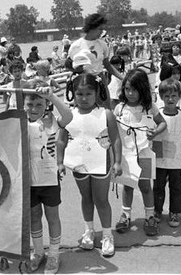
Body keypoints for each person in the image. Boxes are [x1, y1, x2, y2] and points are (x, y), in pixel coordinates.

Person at [59, 73, 122, 258]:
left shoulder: (106, 114)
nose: (84, 98)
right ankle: (89, 230)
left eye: (88, 94)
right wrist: (59, 162)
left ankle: (107, 235)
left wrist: (118, 161)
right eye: (79, 94)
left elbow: (116, 138)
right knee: (86, 197)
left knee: (101, 199)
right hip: (79, 164)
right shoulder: (68, 115)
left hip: (100, 163)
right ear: (73, 94)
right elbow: (61, 140)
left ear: (97, 93)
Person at [23, 78, 73, 274]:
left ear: (46, 105)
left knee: (53, 217)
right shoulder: (19, 119)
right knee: (34, 217)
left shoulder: (52, 120)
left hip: (49, 180)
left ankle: (53, 254)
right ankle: (38, 252)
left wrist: (51, 95)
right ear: (24, 103)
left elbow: (68, 116)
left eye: (39, 104)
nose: (34, 108)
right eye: (30, 104)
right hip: (28, 180)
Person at [113, 69, 167, 236]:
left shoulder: (149, 107)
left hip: (144, 153)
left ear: (142, 88)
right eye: (127, 89)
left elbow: (162, 123)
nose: (130, 93)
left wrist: (156, 132)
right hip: (125, 155)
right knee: (127, 186)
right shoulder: (119, 108)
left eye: (134, 89)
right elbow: (113, 132)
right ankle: (125, 215)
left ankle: (149, 216)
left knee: (145, 186)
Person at [152, 78, 181, 227]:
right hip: (160, 158)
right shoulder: (158, 115)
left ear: (179, 97)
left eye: (174, 96)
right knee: (158, 186)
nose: (170, 99)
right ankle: (157, 210)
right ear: (161, 97)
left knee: (176, 187)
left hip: (177, 159)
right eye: (166, 96)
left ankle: (174, 212)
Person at [67, 13, 121, 108]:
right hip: (82, 82)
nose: (102, 32)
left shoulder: (102, 45)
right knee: (83, 110)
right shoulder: (76, 46)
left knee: (105, 109)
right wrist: (78, 70)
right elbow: (68, 64)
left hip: (99, 79)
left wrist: (122, 78)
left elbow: (107, 65)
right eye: (100, 29)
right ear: (91, 28)